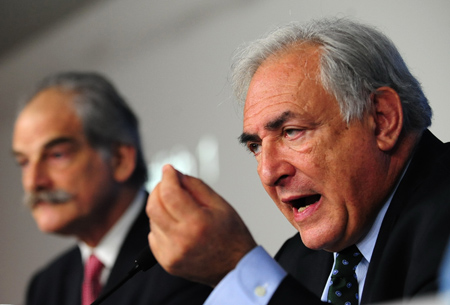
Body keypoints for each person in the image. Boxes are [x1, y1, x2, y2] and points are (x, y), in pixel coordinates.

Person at [146, 17, 450, 304]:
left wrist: (236, 269)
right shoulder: (296, 263)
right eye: (255, 146)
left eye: (292, 132)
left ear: (382, 120)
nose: (268, 172)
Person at [12, 72, 212, 305]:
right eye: (24, 162)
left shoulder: (187, 258)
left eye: (57, 155)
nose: (33, 181)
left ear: (119, 159)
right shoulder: (46, 286)